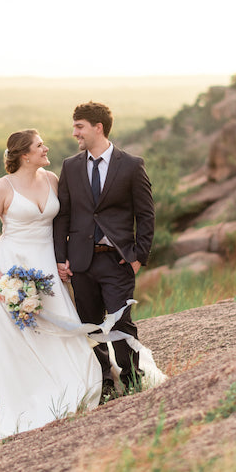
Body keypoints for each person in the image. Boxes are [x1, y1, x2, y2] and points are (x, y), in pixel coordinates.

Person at [0, 129, 103, 452]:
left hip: (48, 271)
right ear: (24, 155)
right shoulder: (3, 188)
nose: (46, 147)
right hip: (12, 272)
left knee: (65, 335)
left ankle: (72, 392)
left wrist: (65, 259)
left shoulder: (52, 179)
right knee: (25, 345)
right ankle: (33, 404)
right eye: (40, 145)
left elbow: (62, 225)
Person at [53, 101, 156, 399]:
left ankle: (132, 379)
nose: (75, 133)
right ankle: (105, 383)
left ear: (98, 127)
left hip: (117, 261)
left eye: (80, 126)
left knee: (122, 321)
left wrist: (138, 257)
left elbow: (146, 215)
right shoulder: (70, 166)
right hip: (82, 263)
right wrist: (62, 257)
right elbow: (64, 215)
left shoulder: (132, 165)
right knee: (91, 326)